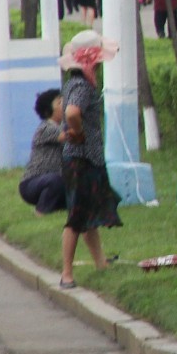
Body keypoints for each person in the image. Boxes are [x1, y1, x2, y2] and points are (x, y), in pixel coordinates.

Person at [57, 32, 123, 287]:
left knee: (88, 215)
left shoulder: (74, 83)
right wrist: (80, 132)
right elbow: (73, 112)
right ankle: (66, 273)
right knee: (76, 217)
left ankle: (100, 262)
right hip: (81, 160)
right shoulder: (82, 87)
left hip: (83, 159)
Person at [17, 88, 67, 215]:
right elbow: (69, 137)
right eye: (59, 103)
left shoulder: (62, 127)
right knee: (55, 180)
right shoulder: (46, 128)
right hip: (32, 183)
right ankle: (41, 211)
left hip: (56, 180)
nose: (65, 105)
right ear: (48, 111)